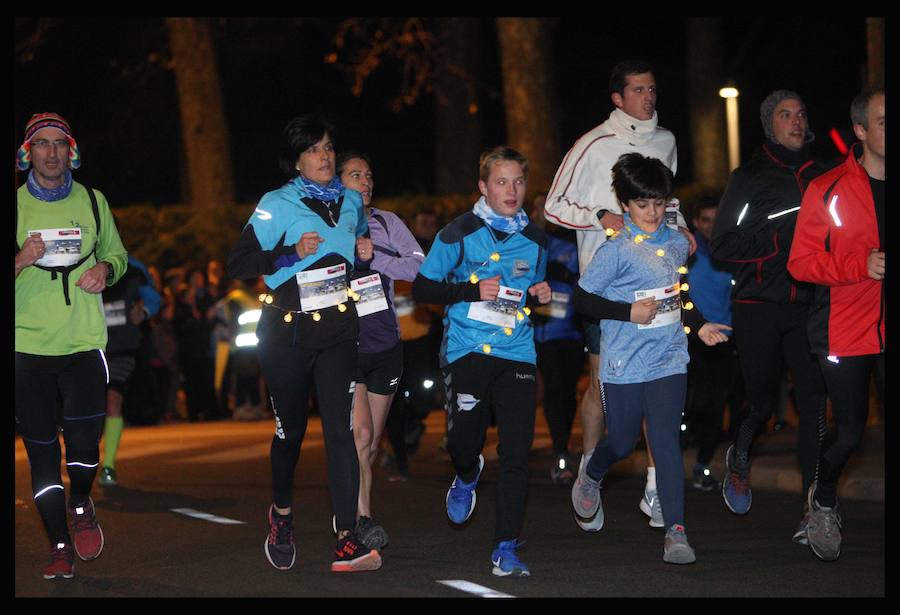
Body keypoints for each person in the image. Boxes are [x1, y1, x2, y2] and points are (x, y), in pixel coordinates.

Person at [543, 60, 696, 530]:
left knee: (661, 381)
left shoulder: (666, 141)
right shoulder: (593, 143)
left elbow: (663, 200)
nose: (648, 97)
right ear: (617, 97)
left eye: (652, 89)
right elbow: (553, 204)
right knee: (601, 386)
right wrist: (601, 217)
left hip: (659, 283)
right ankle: (592, 471)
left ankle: (657, 479)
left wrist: (683, 229)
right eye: (637, 90)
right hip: (606, 286)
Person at [226, 114, 381, 573]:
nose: (325, 156)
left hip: (337, 331)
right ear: (296, 160)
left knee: (341, 433)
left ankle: (347, 538)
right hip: (287, 332)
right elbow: (239, 262)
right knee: (290, 434)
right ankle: (282, 514)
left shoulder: (351, 201)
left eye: (329, 147)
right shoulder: (277, 203)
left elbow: (353, 242)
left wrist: (364, 246)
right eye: (314, 150)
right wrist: (289, 254)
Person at [570, 153, 731, 565]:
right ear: (625, 204)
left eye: (659, 203)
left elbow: (677, 292)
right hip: (624, 359)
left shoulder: (677, 242)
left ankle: (676, 532)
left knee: (666, 444)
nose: (652, 212)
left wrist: (700, 324)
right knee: (622, 442)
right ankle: (592, 472)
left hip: (668, 357)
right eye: (643, 204)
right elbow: (583, 300)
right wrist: (627, 312)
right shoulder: (616, 250)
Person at [413, 146, 551, 577]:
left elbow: (528, 292)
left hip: (517, 353)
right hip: (467, 351)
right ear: (483, 187)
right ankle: (467, 473)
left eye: (519, 182)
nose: (511, 191)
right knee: (462, 444)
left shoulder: (537, 239)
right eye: (501, 182)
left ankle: (506, 546)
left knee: (515, 452)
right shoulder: (458, 233)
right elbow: (422, 290)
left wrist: (539, 296)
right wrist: (471, 291)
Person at [710, 90, 828, 544]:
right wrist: (785, 237)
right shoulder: (750, 177)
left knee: (815, 403)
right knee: (761, 401)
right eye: (785, 115)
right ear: (769, 124)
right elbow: (723, 245)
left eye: (801, 113)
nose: (796, 121)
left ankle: (813, 508)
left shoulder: (824, 175)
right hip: (758, 304)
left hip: (810, 306)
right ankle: (740, 454)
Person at [15, 112, 128, 579]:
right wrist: (21, 259)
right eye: (41, 144)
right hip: (26, 348)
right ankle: (59, 544)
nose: (51, 152)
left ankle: (81, 498)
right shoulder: (15, 205)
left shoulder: (94, 201)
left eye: (59, 143)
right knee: (42, 453)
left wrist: (106, 270)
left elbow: (118, 256)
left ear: (71, 151)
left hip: (83, 342)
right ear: (28, 154)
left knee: (82, 449)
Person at [787, 86, 885, 562]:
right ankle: (823, 499)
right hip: (845, 326)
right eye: (884, 121)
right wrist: (858, 267)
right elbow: (801, 263)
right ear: (861, 131)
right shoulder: (827, 189)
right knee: (850, 432)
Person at [336, 150, 425, 550]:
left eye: (369, 175)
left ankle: (350, 508)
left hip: (386, 345)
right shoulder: (327, 225)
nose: (365, 181)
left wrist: (378, 256)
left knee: (369, 445)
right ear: (338, 183)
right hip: (345, 347)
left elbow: (419, 267)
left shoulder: (388, 223)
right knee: (362, 435)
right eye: (355, 175)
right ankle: (360, 523)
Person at [530, 193, 585, 485]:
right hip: (545, 330)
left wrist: (569, 276)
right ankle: (560, 449)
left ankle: (564, 443)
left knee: (569, 390)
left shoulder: (575, 241)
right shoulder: (531, 243)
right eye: (538, 207)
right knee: (553, 388)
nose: (543, 212)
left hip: (573, 329)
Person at [683, 197, 737, 491]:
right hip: (691, 337)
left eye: (716, 220)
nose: (711, 226)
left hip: (724, 338)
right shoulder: (688, 254)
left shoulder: (732, 254)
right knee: (694, 401)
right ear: (696, 223)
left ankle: (702, 466)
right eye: (705, 220)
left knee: (716, 406)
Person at [99, 255, 162, 486]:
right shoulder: (81, 259)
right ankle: (86, 458)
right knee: (91, 405)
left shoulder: (134, 267)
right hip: (89, 345)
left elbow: (154, 298)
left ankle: (108, 465)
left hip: (124, 345)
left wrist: (143, 311)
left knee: (113, 398)